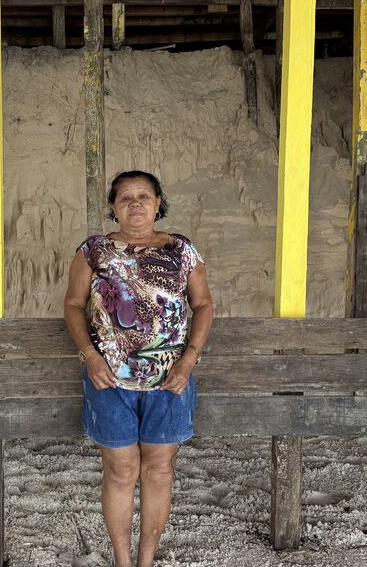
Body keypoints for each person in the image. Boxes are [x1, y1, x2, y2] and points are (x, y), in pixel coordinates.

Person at [63, 170, 214, 567]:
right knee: (120, 468)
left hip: (171, 380)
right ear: (113, 208)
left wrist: (189, 360)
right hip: (108, 378)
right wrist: (90, 356)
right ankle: (122, 561)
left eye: (144, 196)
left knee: (160, 468)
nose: (135, 204)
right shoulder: (93, 251)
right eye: (125, 197)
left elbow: (203, 305)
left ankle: (146, 561)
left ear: (158, 203)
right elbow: (74, 305)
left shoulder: (182, 251)